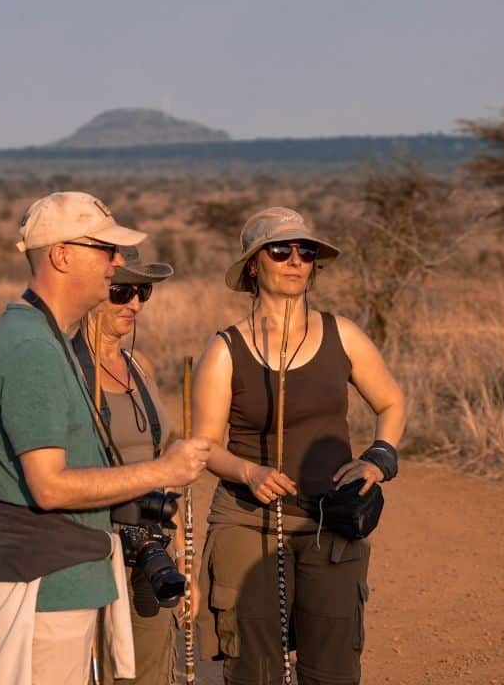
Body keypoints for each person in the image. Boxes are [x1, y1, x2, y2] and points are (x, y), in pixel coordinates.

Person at [0, 192, 212, 685]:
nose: (118, 263)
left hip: (63, 576)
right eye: (105, 249)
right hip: (43, 585)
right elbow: (49, 486)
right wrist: (165, 471)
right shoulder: (31, 346)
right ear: (61, 254)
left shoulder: (47, 338)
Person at [192, 207, 406, 685]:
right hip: (249, 520)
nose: (295, 260)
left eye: (306, 252)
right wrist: (249, 473)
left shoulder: (342, 334)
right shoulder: (226, 348)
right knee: (254, 668)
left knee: (333, 668)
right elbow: (204, 446)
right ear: (253, 264)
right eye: (280, 250)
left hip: (332, 520)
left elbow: (391, 402)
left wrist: (379, 458)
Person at [71, 245, 184, 685]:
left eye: (143, 291)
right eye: (122, 291)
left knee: (150, 671)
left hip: (151, 550)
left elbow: (166, 455)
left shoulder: (141, 366)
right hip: (91, 547)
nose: (134, 303)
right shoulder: (67, 369)